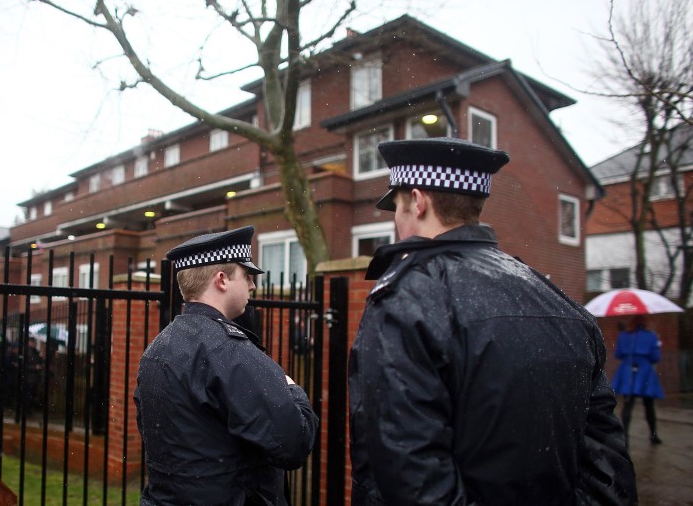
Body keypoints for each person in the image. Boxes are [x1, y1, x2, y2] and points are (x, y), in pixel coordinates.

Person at [348, 137, 637, 505]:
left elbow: (408, 470)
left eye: (398, 209)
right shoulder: (560, 301)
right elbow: (605, 461)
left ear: (418, 201)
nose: (397, 223)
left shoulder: (405, 299)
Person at [134, 225, 319, 506]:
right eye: (247, 275)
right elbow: (293, 443)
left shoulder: (157, 348)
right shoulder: (230, 352)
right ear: (221, 280)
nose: (253, 285)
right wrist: (292, 391)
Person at [612, 315, 664, 445]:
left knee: (628, 405)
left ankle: (625, 437)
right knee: (649, 405)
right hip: (645, 371)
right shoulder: (652, 336)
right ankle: (653, 435)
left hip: (627, 371)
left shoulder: (623, 335)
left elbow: (617, 355)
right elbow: (656, 358)